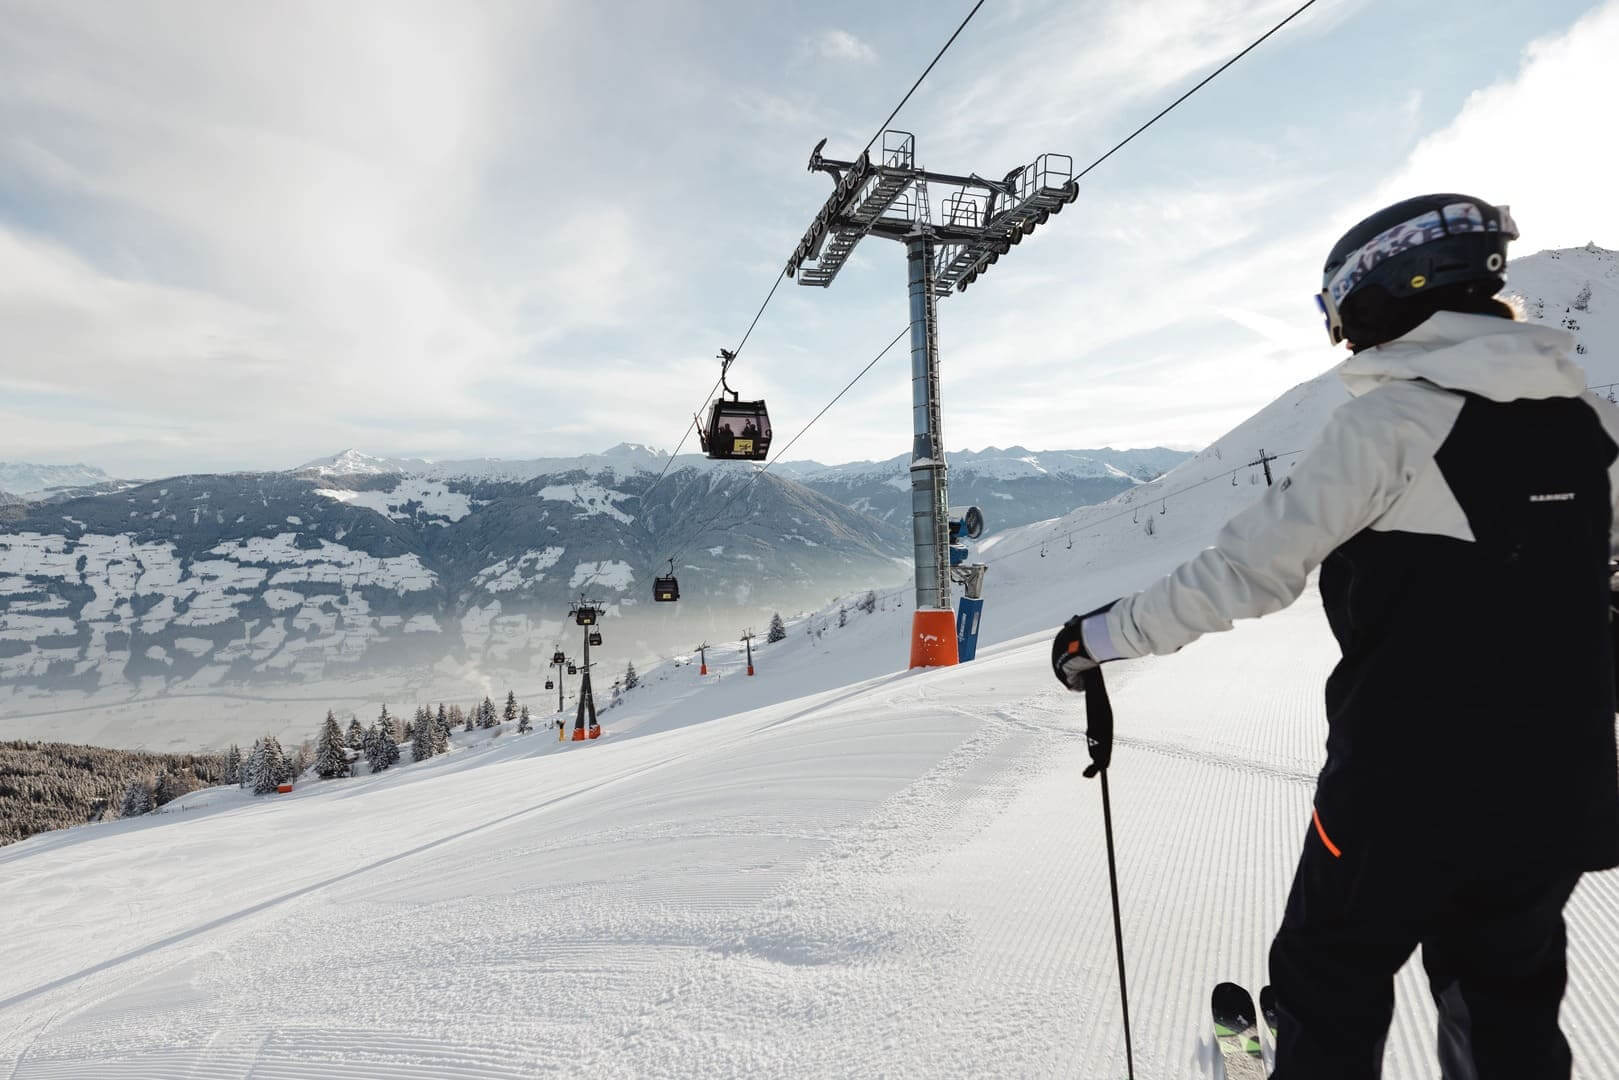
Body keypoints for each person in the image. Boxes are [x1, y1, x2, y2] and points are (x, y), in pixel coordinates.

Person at [1052, 194, 1619, 1080]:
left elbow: (1248, 570)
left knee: (1330, 977)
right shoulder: (1591, 424)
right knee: (1506, 997)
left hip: (1405, 783)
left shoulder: (1390, 422)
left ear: (1382, 295)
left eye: (1336, 310)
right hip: (1556, 783)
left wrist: (1098, 638)